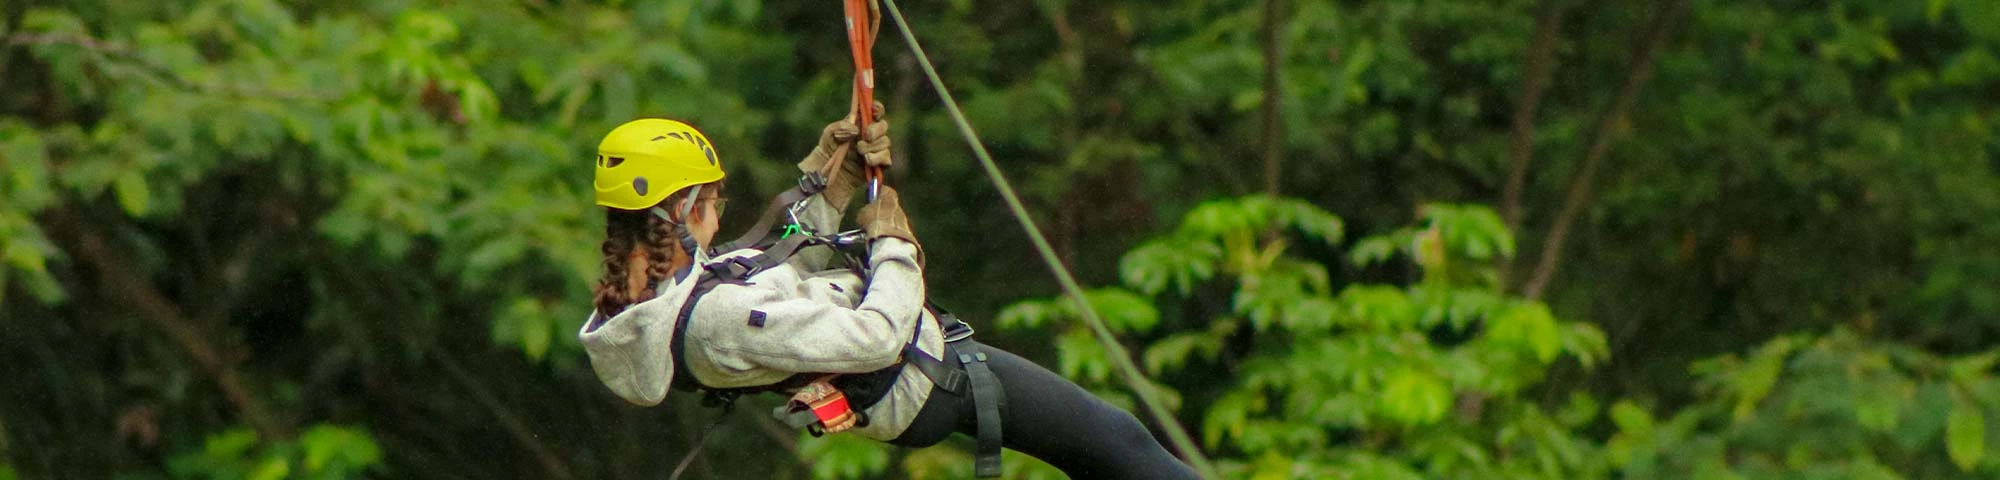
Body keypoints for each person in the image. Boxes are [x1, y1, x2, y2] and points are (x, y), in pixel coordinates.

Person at [576, 114, 1199, 479]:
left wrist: (833, 173)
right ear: (680, 211)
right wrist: (894, 245)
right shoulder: (716, 320)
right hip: (923, 380)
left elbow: (775, 262)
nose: (718, 213)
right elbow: (876, 338)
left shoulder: (667, 295)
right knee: (1120, 443)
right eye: (710, 203)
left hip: (916, 374)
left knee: (1105, 456)